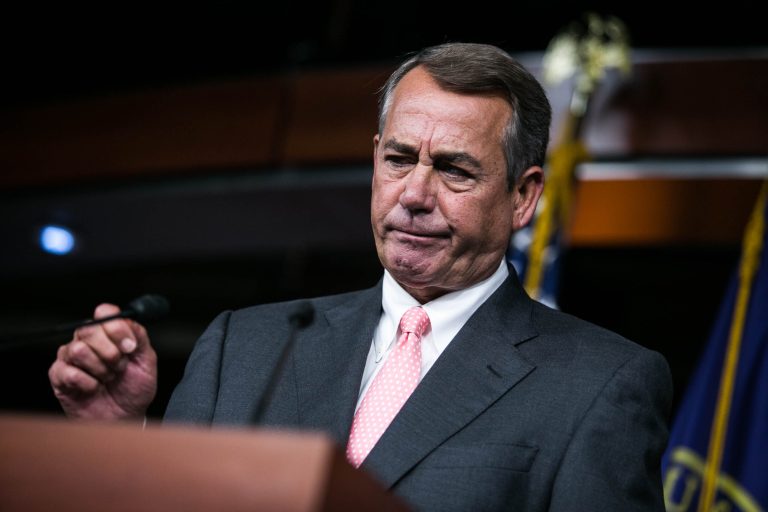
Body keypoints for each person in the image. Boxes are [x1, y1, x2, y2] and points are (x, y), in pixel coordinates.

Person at [48, 42, 673, 511]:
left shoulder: (601, 386)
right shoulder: (244, 346)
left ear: (522, 196)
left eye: (454, 170)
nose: (414, 195)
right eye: (399, 159)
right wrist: (121, 438)